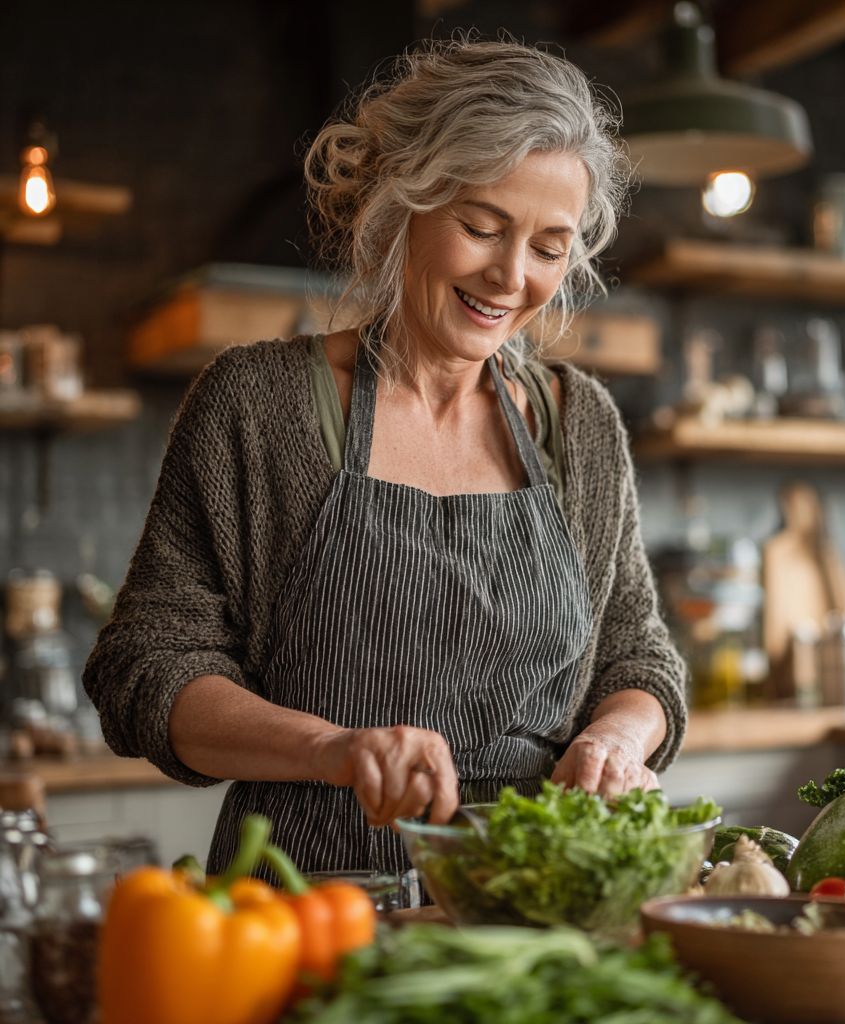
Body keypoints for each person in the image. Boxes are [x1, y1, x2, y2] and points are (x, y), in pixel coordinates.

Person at [84, 37, 687, 877]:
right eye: (482, 226)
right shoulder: (257, 407)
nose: (512, 276)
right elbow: (145, 666)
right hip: (306, 896)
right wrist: (331, 749)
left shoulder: (576, 422)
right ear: (401, 203)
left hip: (537, 897)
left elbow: (638, 658)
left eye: (550, 247)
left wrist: (615, 741)